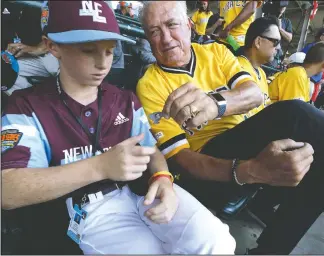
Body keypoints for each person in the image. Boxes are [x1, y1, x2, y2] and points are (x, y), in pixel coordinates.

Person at [1, 1, 236, 254]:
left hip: (140, 191)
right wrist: (101, 166)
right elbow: (8, 189)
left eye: (110, 50)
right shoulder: (26, 106)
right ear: (52, 46)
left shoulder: (124, 99)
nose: (103, 63)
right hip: (87, 209)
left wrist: (163, 179)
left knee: (216, 240)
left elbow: (150, 148)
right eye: (88, 50)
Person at [136, 3, 324, 254]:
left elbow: (253, 93)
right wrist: (246, 171)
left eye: (171, 25)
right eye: (154, 31)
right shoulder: (150, 84)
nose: (166, 38)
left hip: (247, 145)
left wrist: (216, 104)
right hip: (206, 170)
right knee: (294, 114)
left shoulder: (215, 53)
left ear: (189, 26)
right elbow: (182, 160)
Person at [269, 43, 324, 131]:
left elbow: (306, 110)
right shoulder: (297, 75)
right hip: (271, 125)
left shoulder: (303, 76)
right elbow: (296, 115)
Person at [2, 1, 59, 97]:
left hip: (55, 54)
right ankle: (33, 104)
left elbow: (67, 31)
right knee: (3, 70)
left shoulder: (45, 4)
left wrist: (37, 48)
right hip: (28, 58)